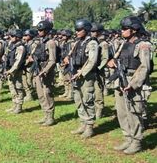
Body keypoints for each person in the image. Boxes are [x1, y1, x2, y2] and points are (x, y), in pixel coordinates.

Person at [107, 16, 152, 154]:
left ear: (134, 29)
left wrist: (132, 84)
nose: (122, 31)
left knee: (134, 113)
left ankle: (137, 141)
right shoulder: (124, 43)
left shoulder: (143, 45)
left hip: (133, 82)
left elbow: (145, 67)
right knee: (122, 113)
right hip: (120, 80)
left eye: (125, 28)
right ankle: (128, 138)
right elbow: (118, 58)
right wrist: (112, 62)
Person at [65, 19, 99, 138]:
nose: (77, 32)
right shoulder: (77, 42)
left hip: (86, 75)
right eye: (76, 30)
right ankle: (83, 123)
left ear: (86, 30)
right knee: (78, 99)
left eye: (79, 30)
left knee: (87, 100)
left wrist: (81, 73)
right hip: (75, 74)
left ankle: (89, 126)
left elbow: (92, 61)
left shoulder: (92, 43)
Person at [31, 20, 57, 126]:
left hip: (46, 71)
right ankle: (45, 115)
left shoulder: (50, 43)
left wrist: (45, 71)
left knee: (47, 93)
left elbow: (52, 60)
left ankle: (50, 117)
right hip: (38, 70)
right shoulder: (40, 42)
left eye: (41, 30)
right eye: (38, 30)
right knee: (40, 94)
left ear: (47, 30)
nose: (39, 32)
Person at [5, 29, 26, 114]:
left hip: (16, 70)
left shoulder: (20, 47)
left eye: (12, 36)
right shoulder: (11, 45)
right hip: (10, 69)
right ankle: (14, 104)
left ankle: (19, 106)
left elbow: (18, 61)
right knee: (11, 87)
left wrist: (11, 70)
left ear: (17, 37)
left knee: (18, 88)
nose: (11, 37)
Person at [91, 23, 109, 119]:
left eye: (94, 31)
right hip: (91, 70)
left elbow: (105, 59)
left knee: (98, 92)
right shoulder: (92, 42)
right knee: (91, 91)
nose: (92, 33)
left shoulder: (103, 44)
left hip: (98, 70)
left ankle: (99, 110)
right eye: (91, 31)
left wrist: (98, 69)